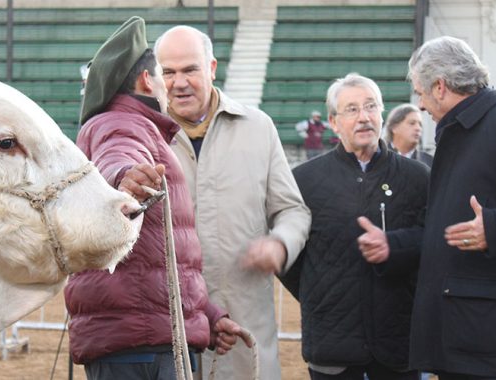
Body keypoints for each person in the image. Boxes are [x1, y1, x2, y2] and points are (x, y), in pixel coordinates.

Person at [64, 17, 251, 380]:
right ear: (148, 80)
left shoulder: (123, 123)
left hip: (140, 339)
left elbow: (161, 264)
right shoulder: (122, 124)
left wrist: (207, 318)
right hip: (140, 347)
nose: (170, 85)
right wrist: (122, 178)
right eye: (163, 74)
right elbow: (117, 158)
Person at [360, 36, 496, 379]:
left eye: (420, 93)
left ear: (440, 86)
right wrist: (395, 244)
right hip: (470, 337)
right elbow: (442, 229)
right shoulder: (462, 134)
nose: (419, 105)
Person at [154, 26, 311, 380]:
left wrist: (280, 243)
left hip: (247, 334)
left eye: (190, 69)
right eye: (169, 72)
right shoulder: (145, 136)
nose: (179, 82)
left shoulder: (258, 127)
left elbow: (292, 210)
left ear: (211, 68)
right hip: (170, 338)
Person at [280, 73, 429, 380]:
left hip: (398, 343)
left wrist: (396, 247)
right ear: (334, 123)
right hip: (331, 345)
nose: (364, 117)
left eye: (371, 106)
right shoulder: (305, 181)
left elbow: (433, 242)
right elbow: (288, 257)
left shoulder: (418, 177)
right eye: (351, 110)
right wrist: (317, 296)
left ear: (382, 113)